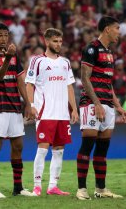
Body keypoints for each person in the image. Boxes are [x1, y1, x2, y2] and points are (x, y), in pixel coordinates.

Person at [76, 16, 126, 200]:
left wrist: (118, 105)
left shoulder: (109, 53)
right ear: (107, 29)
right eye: (117, 28)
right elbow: (85, 78)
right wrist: (97, 103)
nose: (118, 33)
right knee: (88, 144)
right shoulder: (91, 48)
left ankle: (100, 189)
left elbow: (107, 83)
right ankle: (81, 189)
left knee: (102, 149)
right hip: (91, 104)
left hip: (107, 104)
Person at [0, 22, 35, 198]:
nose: (4, 38)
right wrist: (7, 58)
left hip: (14, 106)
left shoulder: (14, 55)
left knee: (18, 145)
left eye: (6, 35)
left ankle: (18, 188)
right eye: (0, 35)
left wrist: (27, 103)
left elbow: (20, 80)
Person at [25, 28, 79, 196]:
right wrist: (31, 105)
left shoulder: (65, 62)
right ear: (46, 41)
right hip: (45, 113)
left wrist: (74, 109)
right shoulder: (37, 61)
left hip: (62, 114)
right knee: (42, 149)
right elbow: (29, 84)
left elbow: (69, 85)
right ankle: (37, 186)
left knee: (59, 150)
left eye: (60, 41)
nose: (58, 44)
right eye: (55, 41)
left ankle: (53, 186)